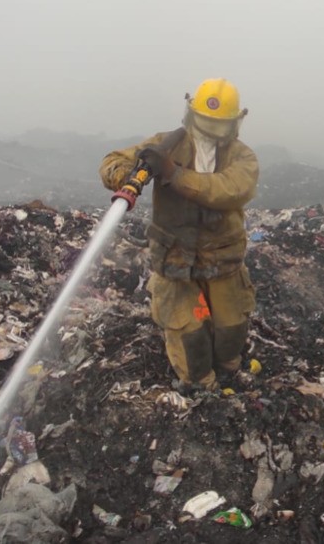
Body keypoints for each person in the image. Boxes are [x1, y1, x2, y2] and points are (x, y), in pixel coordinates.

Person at [99, 78, 259, 392]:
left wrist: (173, 173)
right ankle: (200, 388)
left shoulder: (243, 157)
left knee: (231, 334)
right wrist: (130, 174)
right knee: (191, 337)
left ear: (233, 124)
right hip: (175, 260)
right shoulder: (165, 145)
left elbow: (228, 190)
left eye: (219, 124)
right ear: (191, 114)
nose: (211, 130)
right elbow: (112, 162)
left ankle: (228, 372)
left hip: (223, 260)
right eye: (205, 122)